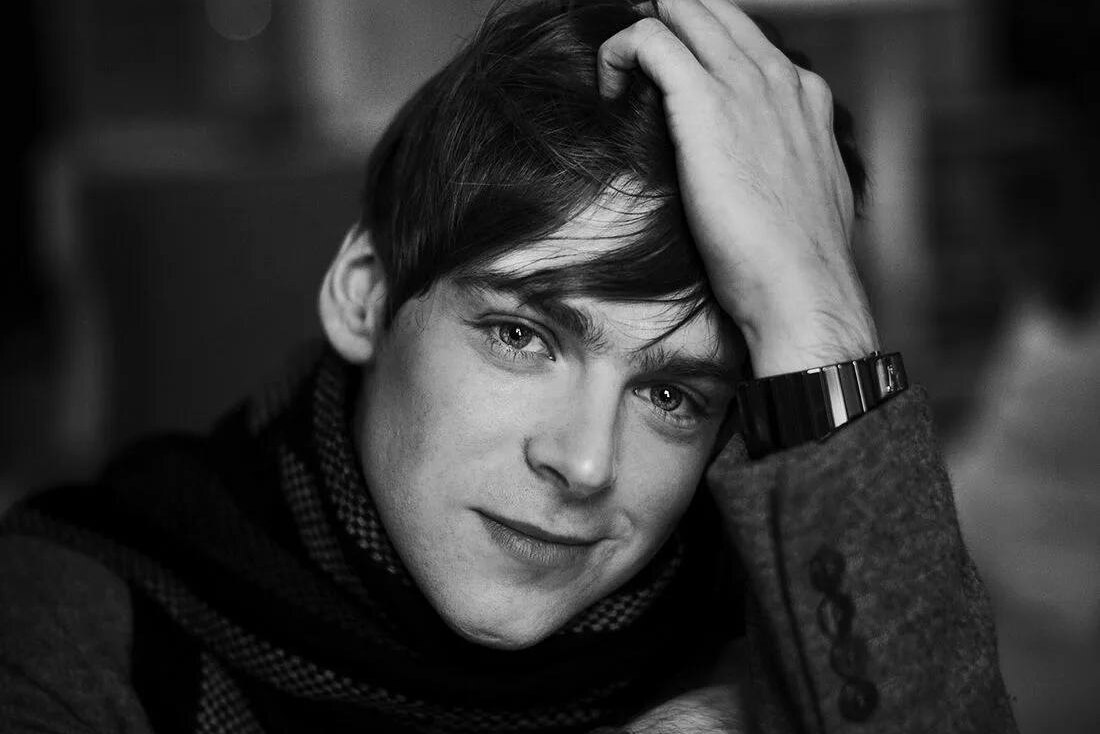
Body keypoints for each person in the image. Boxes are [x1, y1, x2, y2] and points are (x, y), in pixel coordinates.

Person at [0, 1, 1017, 732]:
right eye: (522, 336)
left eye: (670, 394)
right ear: (364, 295)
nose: (584, 462)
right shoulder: (76, 626)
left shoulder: (798, 631)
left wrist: (817, 314)